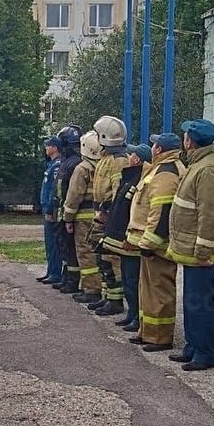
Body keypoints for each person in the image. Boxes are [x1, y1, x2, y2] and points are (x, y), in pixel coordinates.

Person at [167, 118, 214, 371]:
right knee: (192, 301)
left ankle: (205, 354)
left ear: (190, 141)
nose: (183, 139)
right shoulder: (199, 164)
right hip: (192, 250)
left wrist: (203, 250)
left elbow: (211, 213)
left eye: (185, 136)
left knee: (201, 302)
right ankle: (193, 347)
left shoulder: (208, 169)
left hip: (202, 253)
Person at [126, 132, 185, 352]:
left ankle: (160, 338)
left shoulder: (167, 173)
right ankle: (148, 332)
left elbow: (161, 211)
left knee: (159, 291)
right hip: (152, 243)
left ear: (159, 150)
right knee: (148, 290)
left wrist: (149, 243)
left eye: (154, 145)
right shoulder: (161, 169)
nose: (151, 148)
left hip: (158, 245)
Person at [100, 143, 151, 331]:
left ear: (136, 159)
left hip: (131, 239)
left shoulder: (138, 180)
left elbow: (132, 213)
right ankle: (131, 314)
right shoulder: (129, 178)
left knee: (132, 280)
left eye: (130, 154)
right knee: (128, 279)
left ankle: (137, 317)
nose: (127, 157)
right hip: (124, 239)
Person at [89, 116, 129, 316]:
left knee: (111, 259)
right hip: (101, 215)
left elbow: (118, 193)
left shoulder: (119, 161)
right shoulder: (106, 158)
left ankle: (115, 301)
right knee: (101, 258)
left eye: (97, 135)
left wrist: (110, 215)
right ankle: (107, 297)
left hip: (108, 217)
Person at [65, 129, 102, 302]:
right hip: (101, 214)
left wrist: (68, 218)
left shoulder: (82, 169)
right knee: (100, 253)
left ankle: (91, 290)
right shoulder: (105, 165)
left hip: (83, 217)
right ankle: (100, 287)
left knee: (85, 252)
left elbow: (74, 195)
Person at [53, 126, 83, 293]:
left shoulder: (74, 162)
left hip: (67, 210)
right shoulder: (67, 161)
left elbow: (71, 191)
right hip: (61, 209)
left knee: (70, 247)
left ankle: (72, 280)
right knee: (63, 245)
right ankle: (67, 277)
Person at [37, 137, 63, 284]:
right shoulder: (50, 164)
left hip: (51, 210)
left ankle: (55, 273)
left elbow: (54, 189)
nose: (46, 148)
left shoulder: (57, 165)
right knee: (49, 243)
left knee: (54, 243)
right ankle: (50, 271)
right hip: (46, 208)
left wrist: (50, 210)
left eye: (48, 146)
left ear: (55, 148)